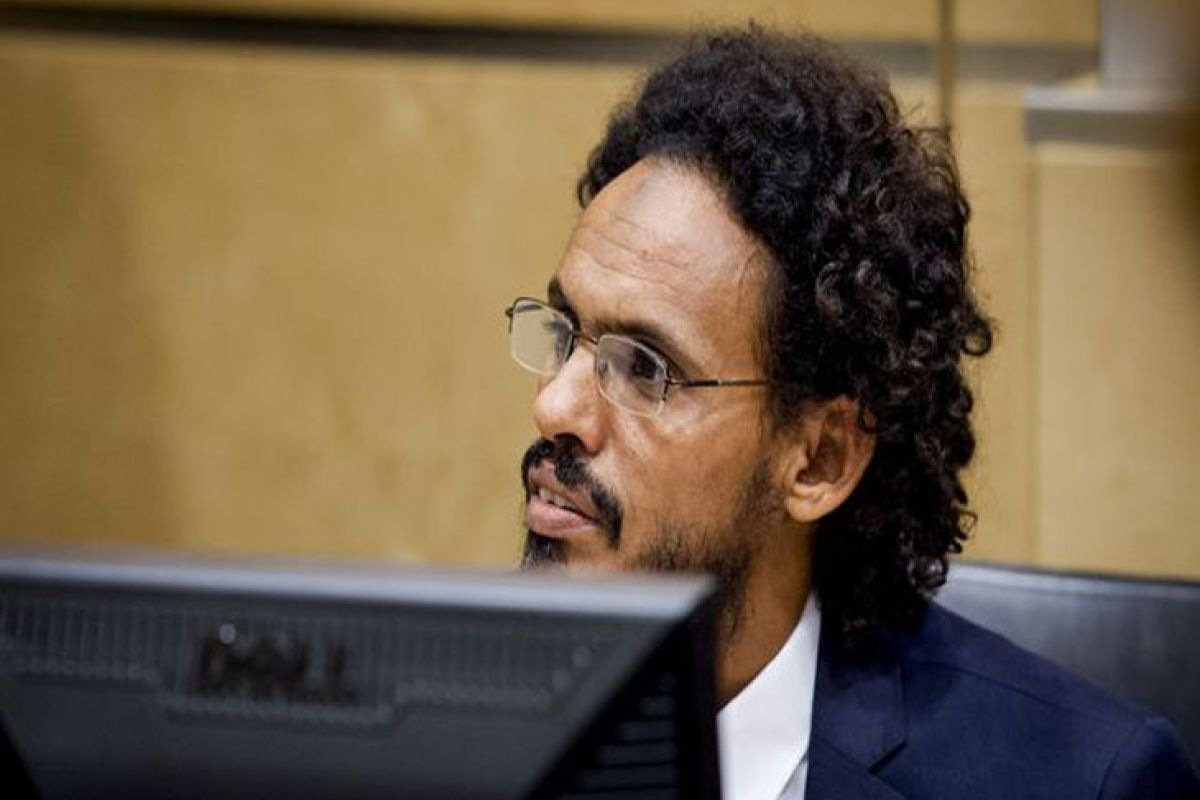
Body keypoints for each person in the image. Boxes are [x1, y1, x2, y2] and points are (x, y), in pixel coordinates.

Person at [507, 27, 1200, 799]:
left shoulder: (1085, 783)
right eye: (565, 332)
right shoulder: (456, 727)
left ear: (819, 460)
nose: (553, 404)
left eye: (644, 368)